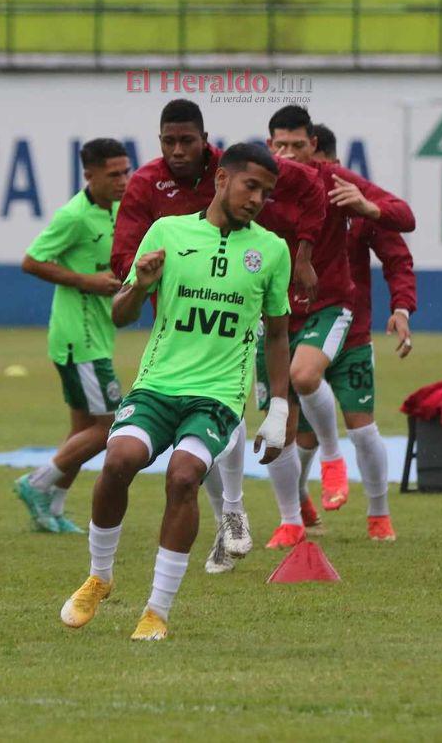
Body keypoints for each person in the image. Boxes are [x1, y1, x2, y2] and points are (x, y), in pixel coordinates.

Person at [59, 142, 292, 641]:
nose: (257, 199)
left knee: (183, 477)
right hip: (158, 385)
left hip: (218, 396)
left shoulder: (272, 250)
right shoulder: (167, 232)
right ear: (222, 179)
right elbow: (121, 315)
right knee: (118, 460)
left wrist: (278, 407)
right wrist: (140, 286)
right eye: (251, 186)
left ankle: (156, 611)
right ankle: (99, 576)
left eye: (266, 193)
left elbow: (276, 334)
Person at [110, 99, 325, 574]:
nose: (179, 150)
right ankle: (227, 513)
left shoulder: (238, 177)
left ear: (208, 145)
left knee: (218, 407)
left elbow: (307, 187)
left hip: (233, 313)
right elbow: (126, 254)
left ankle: (233, 510)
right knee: (188, 436)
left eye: (189, 140)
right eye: (170, 141)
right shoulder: (149, 187)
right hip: (176, 310)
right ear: (159, 140)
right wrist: (139, 277)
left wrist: (304, 250)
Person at [264, 105, 415, 550]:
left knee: (360, 426)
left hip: (348, 327)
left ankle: (378, 515)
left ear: (319, 151)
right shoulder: (264, 191)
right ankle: (297, 511)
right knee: (291, 431)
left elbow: (398, 248)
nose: (290, 155)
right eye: (281, 146)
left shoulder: (343, 191)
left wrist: (402, 307)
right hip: (280, 323)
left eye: (300, 146)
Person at [16, 138, 131, 533]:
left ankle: (52, 508)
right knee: (109, 425)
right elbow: (32, 261)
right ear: (90, 175)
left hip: (97, 335)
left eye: (125, 171)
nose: (122, 180)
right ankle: (36, 483)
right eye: (113, 174)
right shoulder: (74, 216)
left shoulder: (117, 210)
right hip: (78, 339)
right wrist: (87, 280)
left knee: (81, 431)